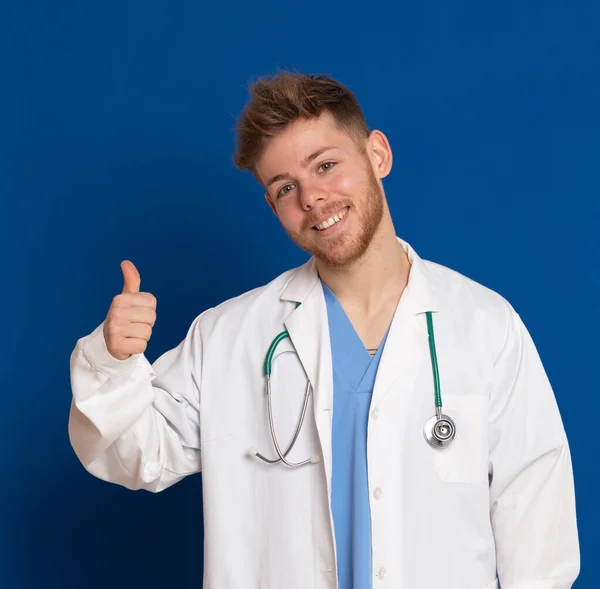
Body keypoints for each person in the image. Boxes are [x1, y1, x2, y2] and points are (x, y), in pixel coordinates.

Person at [68, 71, 580, 589]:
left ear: (377, 154)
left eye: (327, 165)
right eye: (286, 187)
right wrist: (112, 362)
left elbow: (537, 519)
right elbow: (135, 457)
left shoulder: (484, 325)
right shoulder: (229, 336)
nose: (312, 197)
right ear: (273, 207)